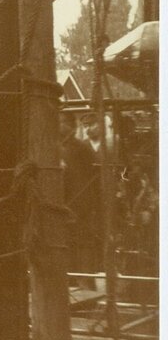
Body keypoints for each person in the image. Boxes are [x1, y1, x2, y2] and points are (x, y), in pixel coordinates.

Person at [61, 112, 101, 273]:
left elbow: (92, 178)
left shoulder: (81, 148)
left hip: (81, 205)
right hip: (65, 204)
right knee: (67, 245)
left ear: (71, 126)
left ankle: (85, 281)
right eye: (86, 125)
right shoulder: (56, 148)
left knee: (84, 244)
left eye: (62, 122)